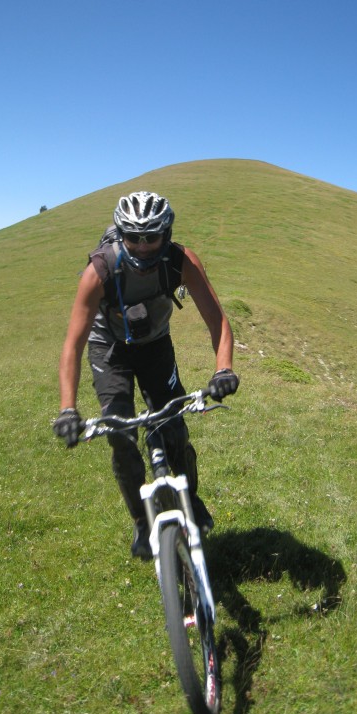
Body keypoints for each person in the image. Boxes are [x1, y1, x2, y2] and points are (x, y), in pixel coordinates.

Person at [53, 190, 239, 559]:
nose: (141, 246)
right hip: (109, 347)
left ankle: (191, 500)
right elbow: (72, 344)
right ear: (121, 234)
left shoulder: (180, 260)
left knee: (174, 426)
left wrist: (223, 368)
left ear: (166, 235)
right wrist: (68, 409)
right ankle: (142, 521)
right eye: (133, 238)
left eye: (151, 237)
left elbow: (217, 320)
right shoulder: (100, 269)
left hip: (155, 344)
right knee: (120, 433)